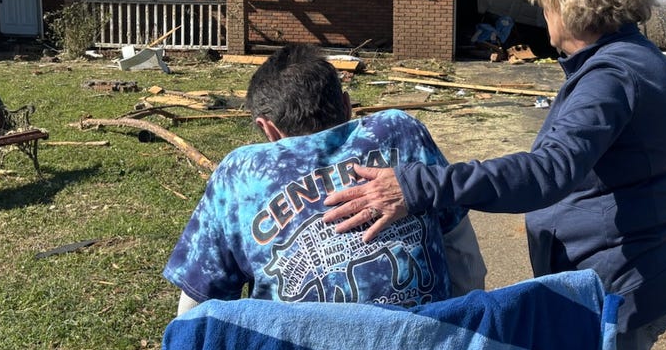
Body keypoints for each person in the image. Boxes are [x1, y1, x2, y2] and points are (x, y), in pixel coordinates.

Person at [323, 0, 666, 350]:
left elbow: (549, 171)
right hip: (639, 270)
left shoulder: (611, 76)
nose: (541, 11)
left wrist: (417, 184)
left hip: (623, 285)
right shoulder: (628, 59)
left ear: (569, 3)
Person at [163, 44, 486, 317]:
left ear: (268, 130)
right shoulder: (400, 131)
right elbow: (462, 254)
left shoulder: (240, 174)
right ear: (346, 106)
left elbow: (198, 310)